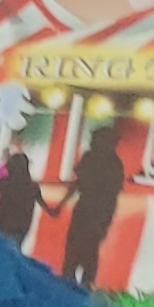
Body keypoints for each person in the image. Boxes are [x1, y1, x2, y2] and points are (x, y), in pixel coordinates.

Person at [59, 116, 134, 292]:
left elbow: (108, 193)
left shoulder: (113, 165)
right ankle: (69, 283)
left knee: (88, 251)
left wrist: (104, 220)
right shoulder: (93, 159)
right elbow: (78, 183)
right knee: (75, 249)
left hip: (97, 211)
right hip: (88, 209)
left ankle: (83, 285)